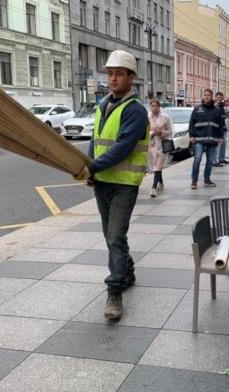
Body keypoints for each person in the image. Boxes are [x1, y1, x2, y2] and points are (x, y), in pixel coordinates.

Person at [82, 50, 150, 320]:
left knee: (114, 237)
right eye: (109, 73)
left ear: (131, 78)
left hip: (124, 184)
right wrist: (88, 165)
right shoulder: (103, 105)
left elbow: (122, 148)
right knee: (112, 236)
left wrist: (93, 166)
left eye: (118, 74)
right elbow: (96, 141)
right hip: (102, 183)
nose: (112, 79)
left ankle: (115, 291)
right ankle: (128, 271)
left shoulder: (135, 111)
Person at [188, 88, 223, 189]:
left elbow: (221, 125)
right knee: (197, 159)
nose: (206, 97)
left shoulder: (217, 110)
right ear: (203, 96)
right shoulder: (197, 109)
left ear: (212, 96)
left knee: (210, 161)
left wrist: (220, 137)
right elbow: (191, 123)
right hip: (199, 139)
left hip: (212, 139)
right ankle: (194, 181)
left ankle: (207, 179)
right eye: (205, 95)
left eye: (208, 95)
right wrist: (191, 136)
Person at [147, 99, 172, 198]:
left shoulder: (165, 118)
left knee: (158, 166)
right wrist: (152, 133)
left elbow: (170, 131)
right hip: (151, 145)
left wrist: (161, 132)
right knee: (156, 166)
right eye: (152, 106)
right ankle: (160, 182)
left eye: (156, 106)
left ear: (159, 107)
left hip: (161, 145)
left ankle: (153, 187)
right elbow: (144, 131)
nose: (154, 108)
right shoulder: (147, 118)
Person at [213, 92, 229, 167]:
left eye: (221, 97)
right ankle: (214, 161)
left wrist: (225, 128)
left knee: (223, 144)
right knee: (217, 145)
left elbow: (222, 119)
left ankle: (221, 159)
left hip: (222, 128)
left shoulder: (221, 106)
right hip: (216, 129)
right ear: (215, 98)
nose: (219, 99)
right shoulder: (214, 107)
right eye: (218, 97)